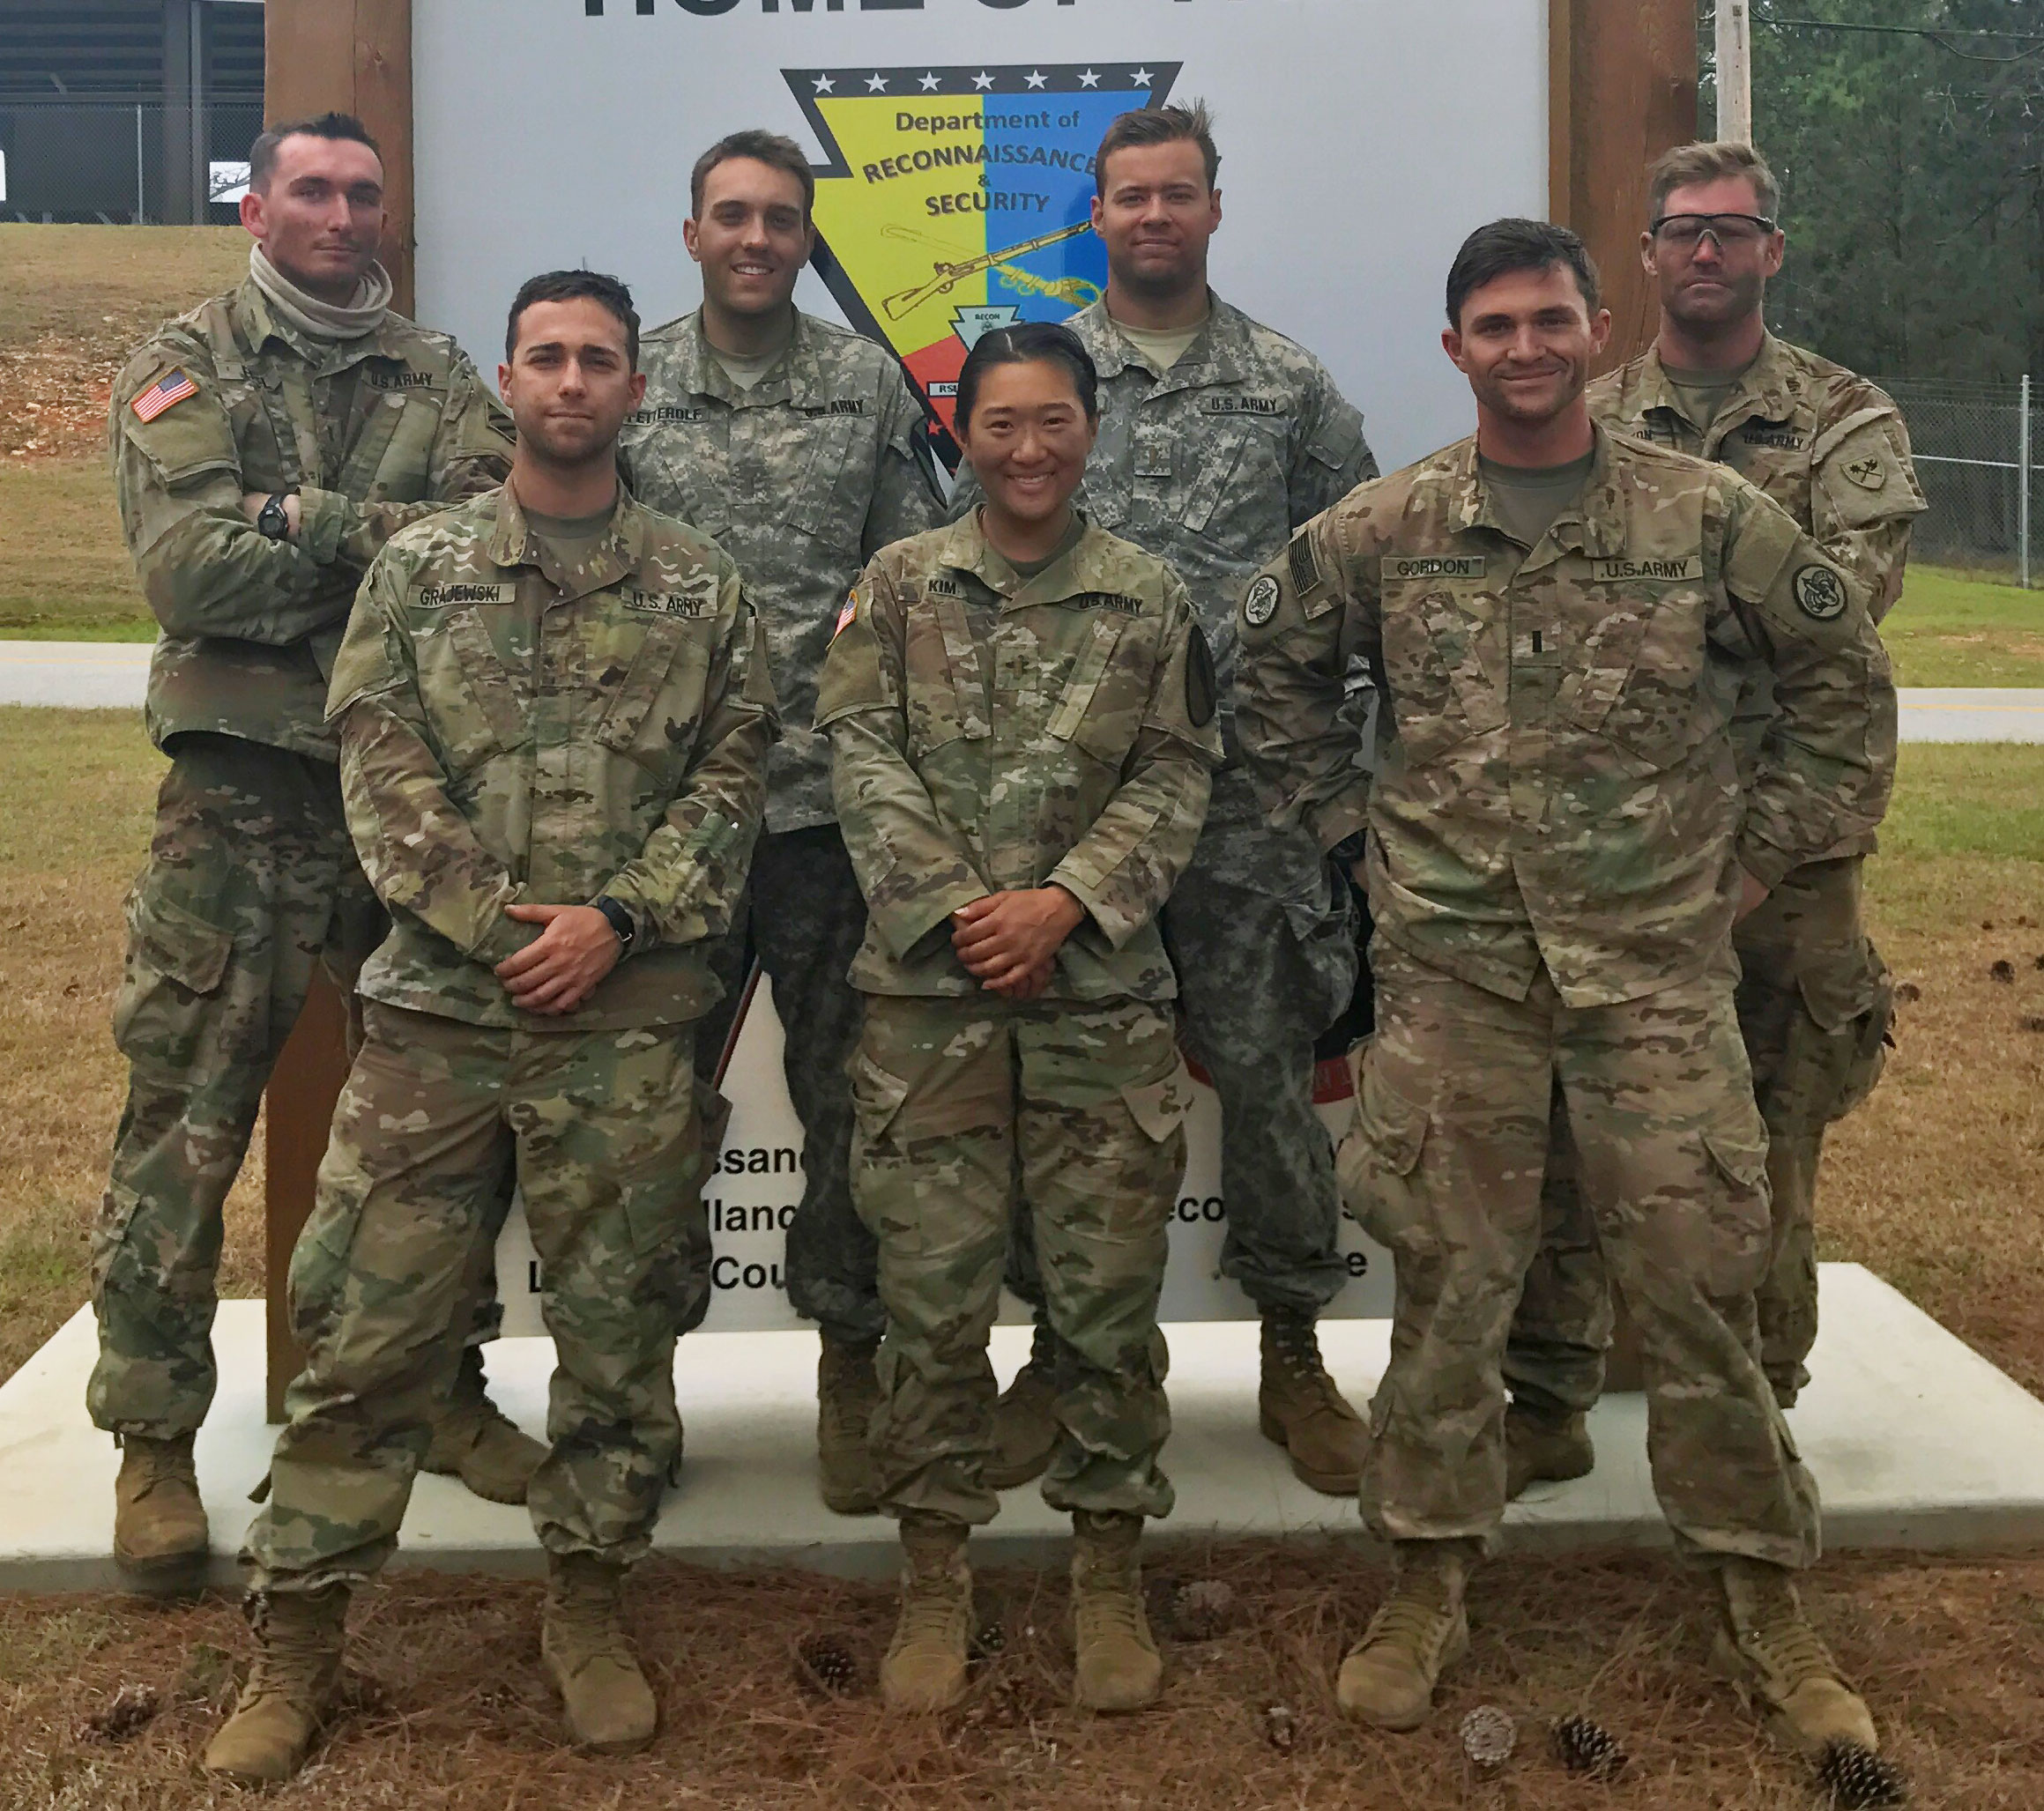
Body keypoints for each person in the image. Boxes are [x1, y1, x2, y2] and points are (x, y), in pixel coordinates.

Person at [1236, 219, 1895, 1761]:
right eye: (1494, 326)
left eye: (1550, 321)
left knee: (1697, 1292)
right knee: (1452, 1289)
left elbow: (1840, 687)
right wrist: (1353, 840)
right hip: (1457, 976)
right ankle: (1427, 1578)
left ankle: (1760, 1593)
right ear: (1453, 347)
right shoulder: (1385, 528)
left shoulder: (1709, 516)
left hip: (1656, 977)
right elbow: (1267, 682)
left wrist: (1755, 868)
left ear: (1598, 333)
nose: (1525, 349)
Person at [202, 271, 777, 1784]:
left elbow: (732, 786)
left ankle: (588, 1610)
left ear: (633, 390)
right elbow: (376, 764)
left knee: (617, 1336)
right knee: (367, 1336)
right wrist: (494, 925)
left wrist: (617, 923)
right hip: (442, 1025)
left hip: (626, 1021)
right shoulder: (419, 572)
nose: (573, 382)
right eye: (547, 358)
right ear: (509, 383)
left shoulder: (702, 588)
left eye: (600, 360)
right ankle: (299, 1638)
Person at [95, 110, 535, 1591]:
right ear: (257, 213)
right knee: (186, 1118)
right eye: (313, 193)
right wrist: (380, 552)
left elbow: (491, 553)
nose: (343, 217)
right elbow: (192, 572)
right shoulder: (187, 361)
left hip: (403, 798)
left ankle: (447, 1391)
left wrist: (309, 517)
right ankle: (153, 1440)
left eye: (363, 194)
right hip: (239, 800)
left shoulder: (437, 371)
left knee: (441, 1119)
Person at [955, 102, 1380, 1498]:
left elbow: (1358, 592)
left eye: (1176, 194)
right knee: (1060, 1090)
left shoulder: (1289, 388)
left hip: (1248, 811)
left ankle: (1294, 1353)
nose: (1152, 216)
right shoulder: (1045, 376)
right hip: (1064, 816)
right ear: (1099, 212)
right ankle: (1059, 1358)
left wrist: (1339, 790)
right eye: (1128, 196)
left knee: (1265, 1082)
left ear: (1213, 206)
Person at [1503, 141, 1924, 1492]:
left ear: (1771, 252)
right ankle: (1549, 1401)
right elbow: (1532, 604)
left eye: (1731, 232)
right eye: (1681, 229)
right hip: (1610, 849)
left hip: (1777, 864)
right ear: (1644, 255)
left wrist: (1634, 628)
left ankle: (1759, 1413)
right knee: (1570, 1128)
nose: (1705, 253)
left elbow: (1834, 622)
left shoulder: (1845, 420)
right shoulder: (1594, 405)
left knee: (1761, 1145)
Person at [819, 322, 1223, 1713]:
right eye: (1000, 424)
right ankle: (937, 1578)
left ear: (1089, 430)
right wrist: (955, 909)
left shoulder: (1150, 599)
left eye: (1054, 421)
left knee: (1106, 1309)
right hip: (927, 1005)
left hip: (1099, 1002)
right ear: (965, 433)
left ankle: (1105, 1571)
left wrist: (1063, 903)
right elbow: (858, 753)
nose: (1029, 448)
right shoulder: (899, 585)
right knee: (929, 1310)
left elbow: (1177, 776)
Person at [620, 130, 946, 1516]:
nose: (757, 238)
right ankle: (631, 1389)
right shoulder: (626, 377)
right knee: (641, 1113)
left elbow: (907, 575)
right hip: (662, 827)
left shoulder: (863, 383)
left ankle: (849, 1370)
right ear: (690, 232)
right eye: (732, 216)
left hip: (819, 817)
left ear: (809, 241)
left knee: (846, 1110)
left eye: (782, 220)